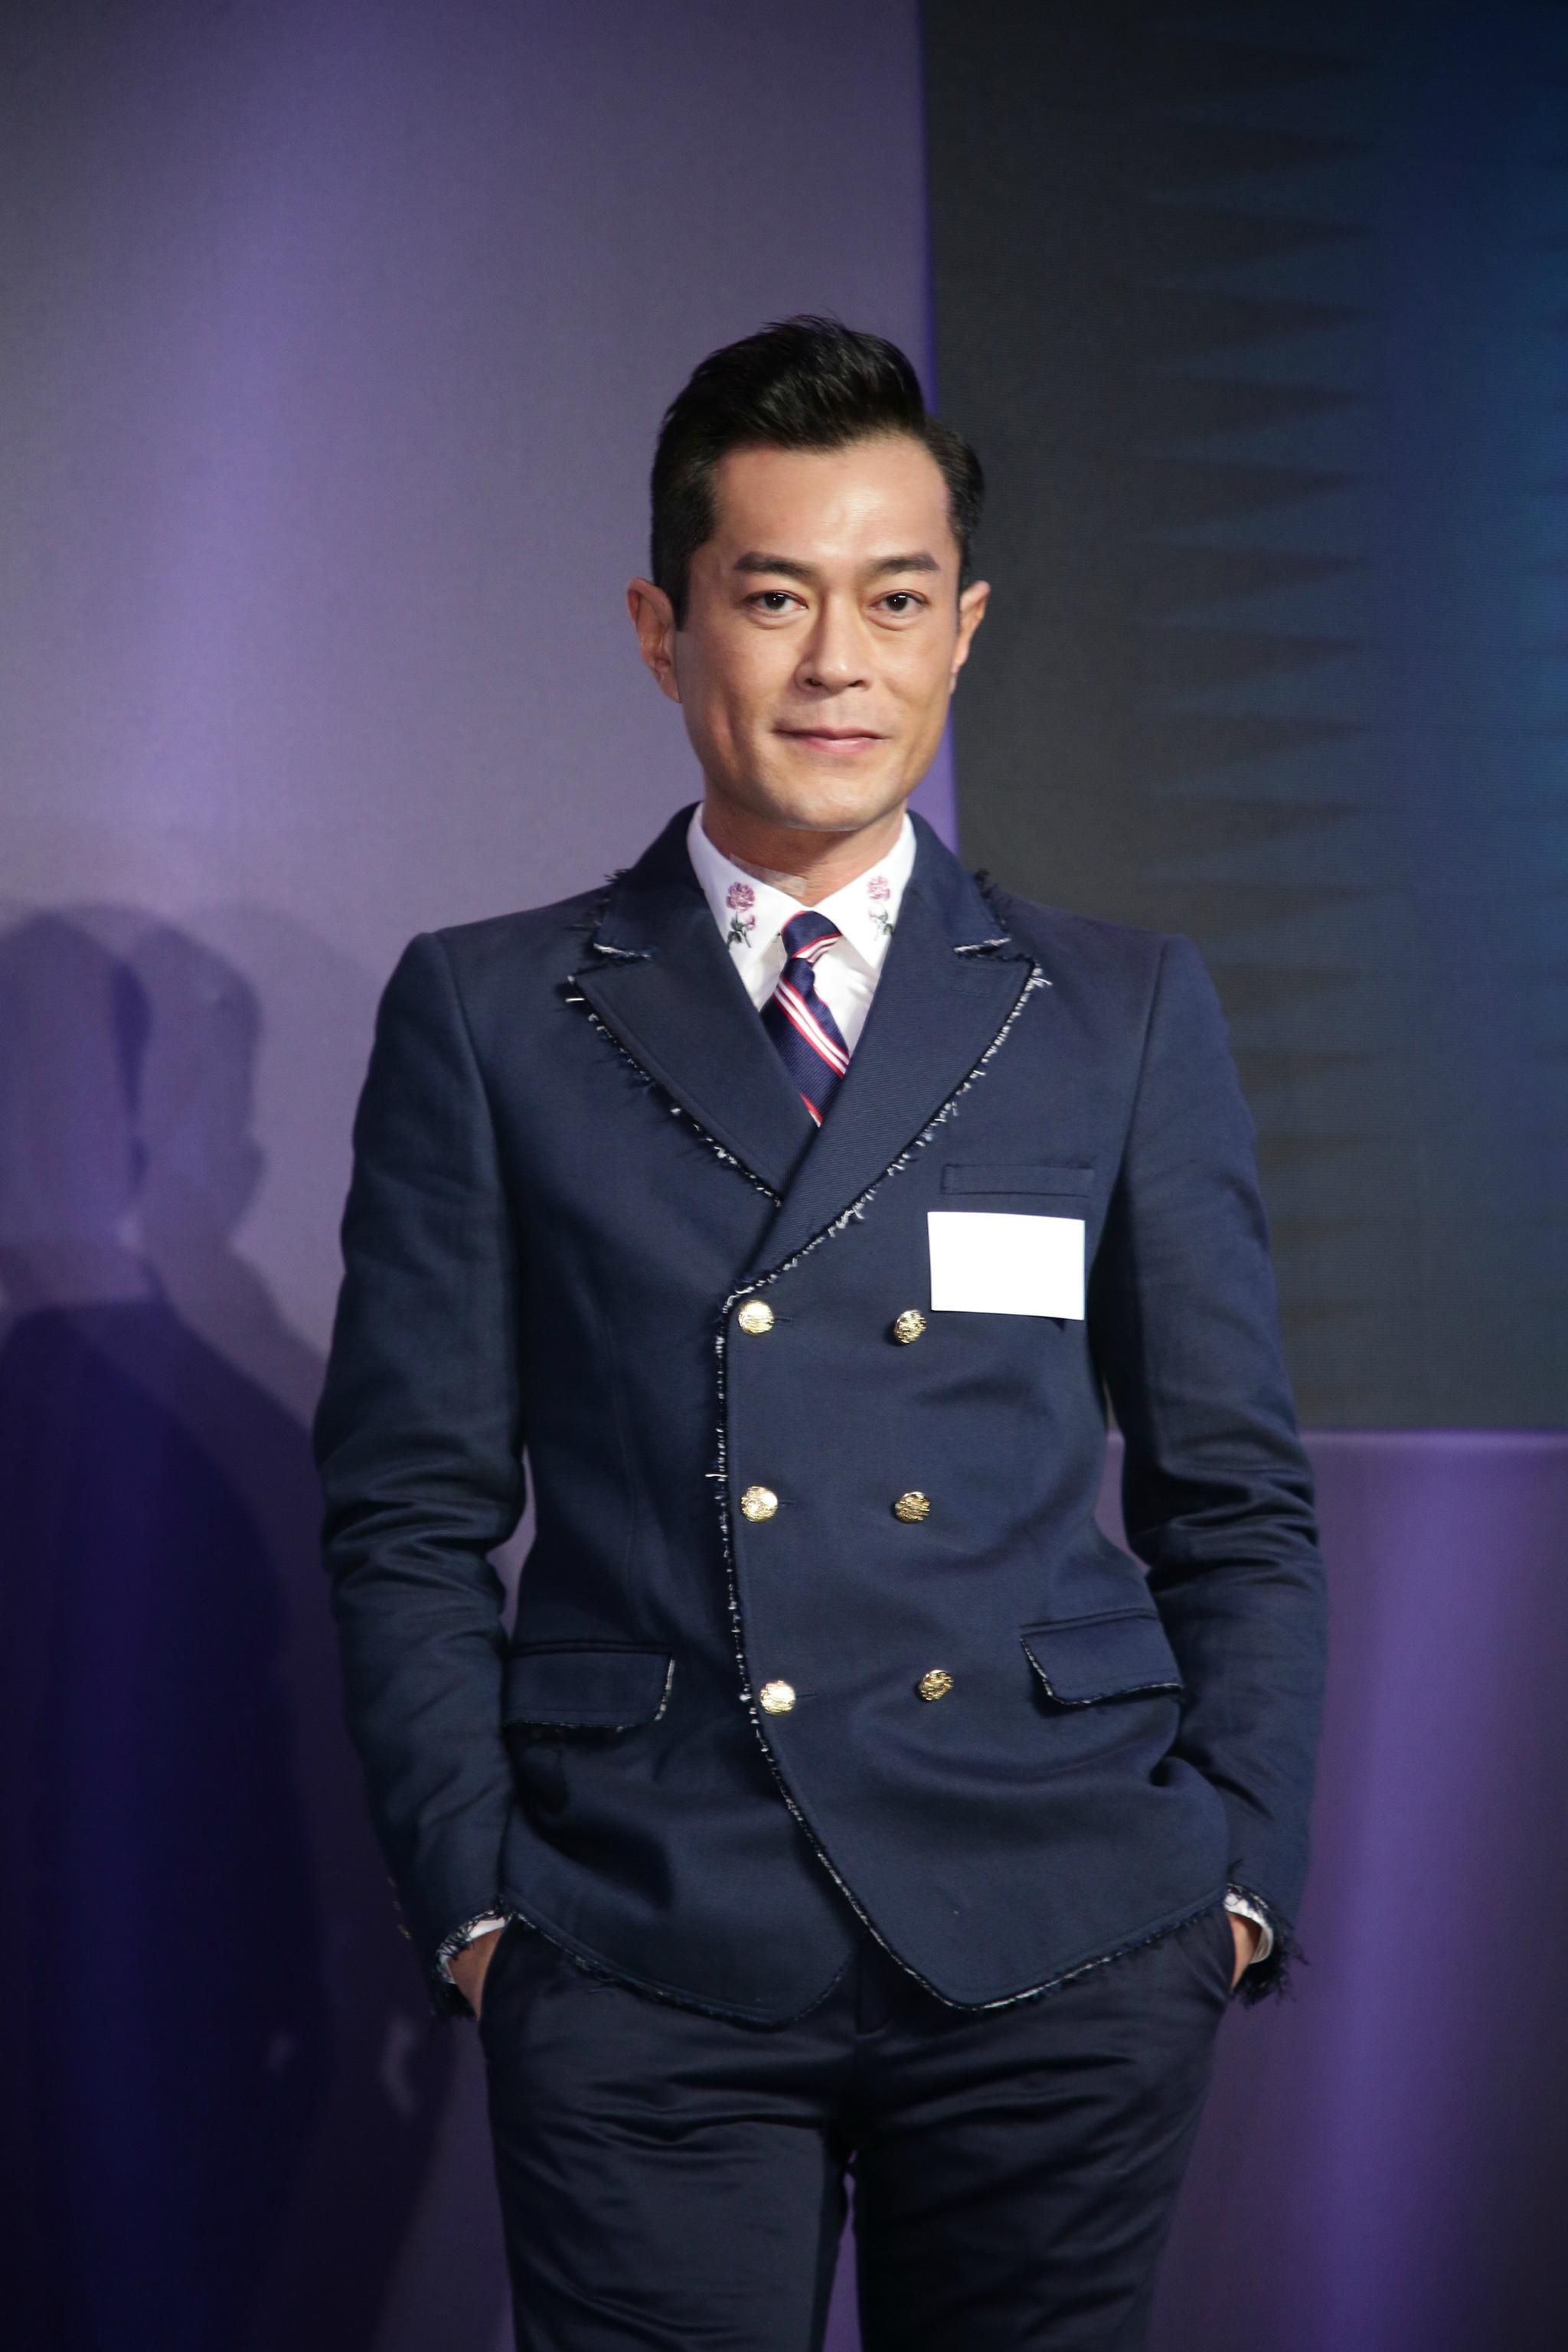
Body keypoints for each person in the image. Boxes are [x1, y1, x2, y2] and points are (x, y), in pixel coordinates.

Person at [313, 315, 1328, 2350]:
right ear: (662, 626)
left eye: (894, 600)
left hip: (1064, 1925)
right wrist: (484, 1911)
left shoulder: (1116, 1009)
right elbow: (408, 1509)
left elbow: (1233, 1490)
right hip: (645, 1928)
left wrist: (1231, 1881)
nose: (837, 663)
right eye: (775, 598)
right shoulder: (495, 1014)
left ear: (966, 628)